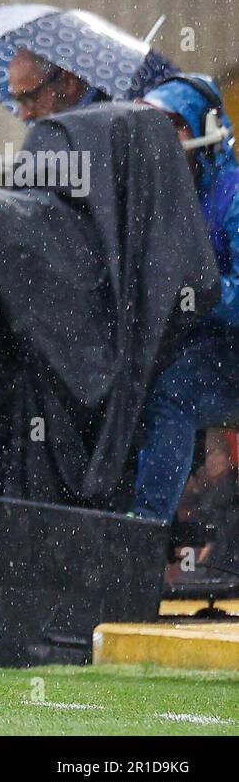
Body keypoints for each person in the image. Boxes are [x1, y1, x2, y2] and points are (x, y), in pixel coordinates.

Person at [131, 74, 239, 522]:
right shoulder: (163, 200)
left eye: (172, 124)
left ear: (205, 126)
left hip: (228, 351)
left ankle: (143, 532)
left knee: (171, 395)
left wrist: (193, 291)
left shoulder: (232, 194)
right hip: (198, 347)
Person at [7, 48, 104, 123]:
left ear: (68, 82)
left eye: (28, 98)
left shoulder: (103, 129)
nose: (24, 115)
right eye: (18, 100)